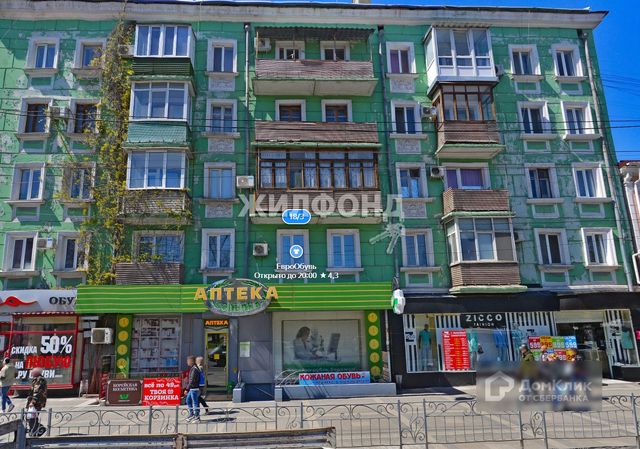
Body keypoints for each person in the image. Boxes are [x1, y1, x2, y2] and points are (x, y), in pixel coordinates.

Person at [26, 368, 47, 436]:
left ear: (36, 373)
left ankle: (37, 430)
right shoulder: (36, 379)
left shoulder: (40, 380)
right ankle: (35, 430)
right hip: (33, 401)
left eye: (32, 372)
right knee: (30, 417)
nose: (31, 373)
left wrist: (33, 402)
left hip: (37, 402)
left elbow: (37, 392)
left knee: (32, 418)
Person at [185, 356, 201, 423]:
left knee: (195, 402)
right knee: (188, 400)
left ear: (192, 361)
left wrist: (187, 389)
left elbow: (192, 380)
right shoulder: (193, 368)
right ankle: (192, 414)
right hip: (192, 388)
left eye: (188, 361)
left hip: (194, 388)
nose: (187, 362)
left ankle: (197, 417)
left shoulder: (194, 369)